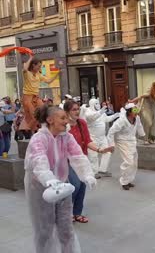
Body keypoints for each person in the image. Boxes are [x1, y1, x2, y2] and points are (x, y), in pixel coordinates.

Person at [24, 104, 96, 252]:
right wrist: (48, 178)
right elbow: (39, 160)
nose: (66, 121)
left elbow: (77, 156)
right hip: (40, 188)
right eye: (62, 118)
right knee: (44, 229)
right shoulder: (38, 139)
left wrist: (87, 174)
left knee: (66, 227)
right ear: (50, 120)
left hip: (62, 186)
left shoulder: (66, 137)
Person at [64, 100, 112, 223]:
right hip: (68, 161)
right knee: (75, 185)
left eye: (78, 109)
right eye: (74, 109)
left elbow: (88, 140)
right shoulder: (63, 125)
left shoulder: (81, 123)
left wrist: (100, 149)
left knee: (83, 185)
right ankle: (65, 211)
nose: (77, 111)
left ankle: (77, 213)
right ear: (67, 111)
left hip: (82, 159)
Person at [107, 103, 146, 190]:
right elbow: (111, 132)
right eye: (134, 110)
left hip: (132, 141)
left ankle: (129, 180)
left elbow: (139, 127)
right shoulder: (121, 121)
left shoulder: (137, 118)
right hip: (122, 141)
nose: (136, 112)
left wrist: (144, 136)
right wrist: (111, 144)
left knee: (134, 162)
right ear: (129, 112)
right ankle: (124, 181)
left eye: (137, 110)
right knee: (128, 162)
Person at [21, 54, 59, 132]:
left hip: (36, 97)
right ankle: (30, 130)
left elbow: (49, 81)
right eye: (38, 66)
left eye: (40, 66)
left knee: (43, 110)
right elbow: (25, 68)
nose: (39, 68)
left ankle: (41, 128)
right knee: (33, 115)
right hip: (27, 97)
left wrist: (58, 73)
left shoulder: (39, 75)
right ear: (33, 66)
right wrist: (31, 58)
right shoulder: (27, 73)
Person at [84, 98, 119, 178]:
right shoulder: (88, 112)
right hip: (93, 138)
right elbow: (91, 118)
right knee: (93, 156)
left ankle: (103, 170)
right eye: (95, 104)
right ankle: (94, 172)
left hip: (103, 137)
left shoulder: (101, 112)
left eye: (98, 103)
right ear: (92, 104)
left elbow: (106, 119)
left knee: (107, 152)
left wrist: (115, 116)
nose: (97, 105)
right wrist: (100, 112)